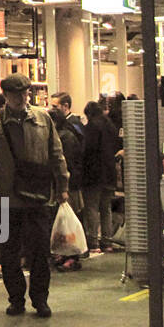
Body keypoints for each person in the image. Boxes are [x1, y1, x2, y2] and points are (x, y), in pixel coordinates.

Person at [0, 74, 70, 317]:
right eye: (16, 94)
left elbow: (56, 153)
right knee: (8, 254)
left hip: (38, 197)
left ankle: (40, 299)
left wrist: (63, 185)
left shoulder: (42, 119)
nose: (22, 98)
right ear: (6, 96)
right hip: (7, 200)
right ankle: (16, 299)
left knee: (40, 252)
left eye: (25, 93)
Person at [48, 104, 85, 270]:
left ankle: (72, 256)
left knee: (68, 221)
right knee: (63, 222)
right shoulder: (64, 136)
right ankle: (63, 254)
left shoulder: (66, 138)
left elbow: (66, 163)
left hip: (69, 185)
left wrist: (63, 186)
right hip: (66, 184)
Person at [80, 100, 120, 254]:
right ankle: (107, 241)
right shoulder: (110, 126)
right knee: (106, 208)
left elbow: (87, 151)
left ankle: (93, 242)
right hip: (109, 173)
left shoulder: (91, 128)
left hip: (93, 174)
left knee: (92, 208)